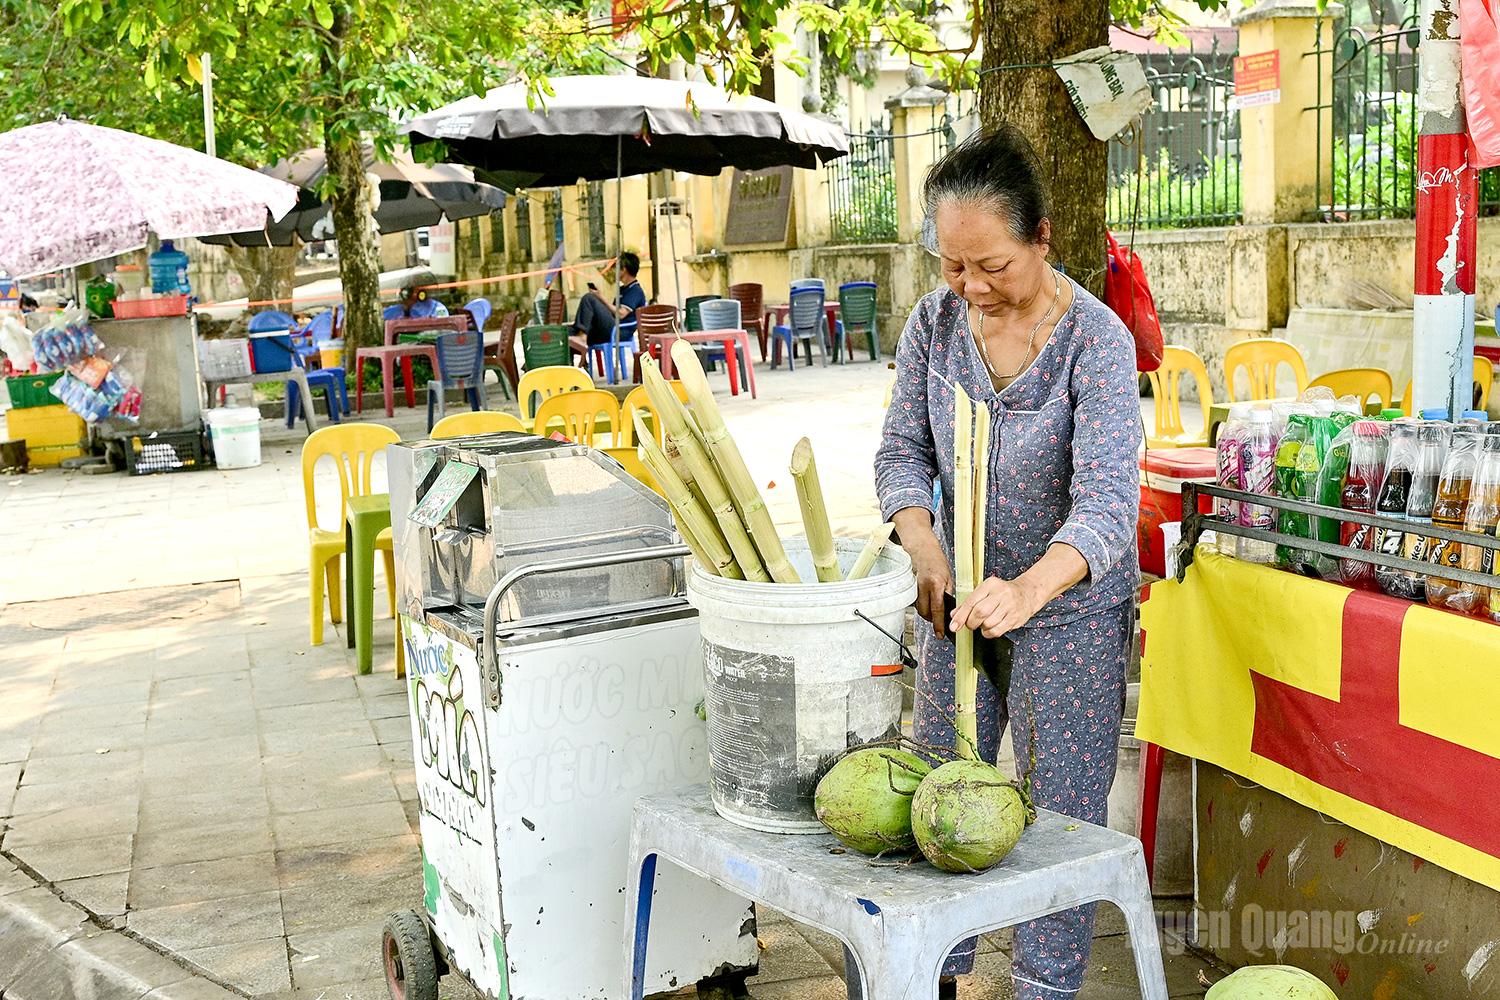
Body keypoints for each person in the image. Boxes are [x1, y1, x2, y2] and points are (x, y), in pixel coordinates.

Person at [873, 126, 1141, 1000]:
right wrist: (927, 551)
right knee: (937, 801)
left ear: (1043, 238)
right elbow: (902, 456)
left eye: (992, 265)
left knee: (1057, 826)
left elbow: (1107, 508)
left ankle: (1042, 988)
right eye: (953, 265)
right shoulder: (935, 323)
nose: (972, 287)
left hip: (1065, 612)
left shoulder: (1094, 342)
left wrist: (1027, 590)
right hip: (958, 610)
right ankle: (931, 977)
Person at [572, 251, 646, 346]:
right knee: (569, 333)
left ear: (624, 270)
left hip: (619, 331)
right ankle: (582, 359)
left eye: (616, 268)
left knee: (589, 298)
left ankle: (583, 337)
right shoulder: (622, 289)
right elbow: (612, 312)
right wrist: (598, 302)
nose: (614, 271)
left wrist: (600, 297)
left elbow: (620, 314)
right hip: (612, 326)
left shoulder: (635, 290)